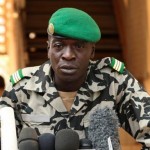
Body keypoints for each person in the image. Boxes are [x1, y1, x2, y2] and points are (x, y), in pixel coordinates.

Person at [0, 7, 150, 149]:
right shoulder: (21, 87)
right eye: (59, 45)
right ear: (48, 49)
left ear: (92, 52)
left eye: (78, 46)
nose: (68, 55)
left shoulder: (113, 81)